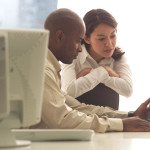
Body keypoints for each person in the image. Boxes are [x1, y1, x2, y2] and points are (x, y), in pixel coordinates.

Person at [32, 8, 150, 133]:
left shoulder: (48, 67)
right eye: (78, 41)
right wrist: (120, 124)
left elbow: (77, 108)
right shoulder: (44, 70)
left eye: (113, 35)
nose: (79, 49)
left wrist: (130, 115)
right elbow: (63, 119)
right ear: (60, 36)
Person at [60, 9, 133, 110]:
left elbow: (128, 90)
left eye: (112, 35)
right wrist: (105, 72)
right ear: (86, 39)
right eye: (101, 39)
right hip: (79, 119)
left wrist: (93, 73)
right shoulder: (72, 56)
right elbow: (69, 92)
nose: (109, 43)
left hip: (111, 119)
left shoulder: (118, 57)